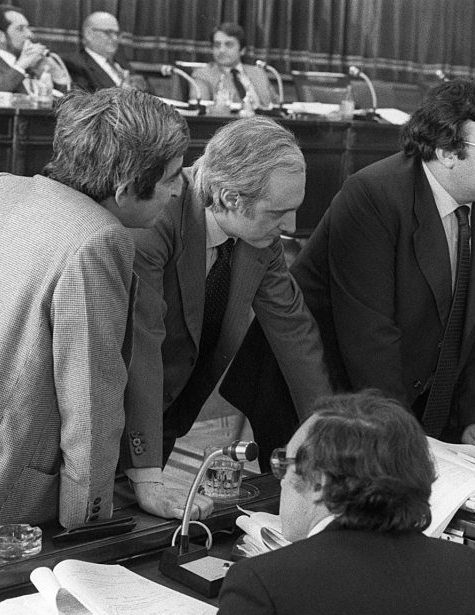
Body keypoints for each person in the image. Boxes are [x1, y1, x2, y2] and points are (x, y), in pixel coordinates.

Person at [0, 88, 190, 612]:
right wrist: (89, 523)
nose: (179, 189)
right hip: (3, 472)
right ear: (125, 187)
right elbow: (91, 402)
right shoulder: (99, 239)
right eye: (170, 176)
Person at [292, 78, 475, 452]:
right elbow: (370, 340)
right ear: (447, 152)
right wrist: (404, 442)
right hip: (326, 394)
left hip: (416, 394)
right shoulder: (373, 195)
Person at [208, 391, 475, 615]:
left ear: (320, 481)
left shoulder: (263, 583)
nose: (283, 480)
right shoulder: (468, 569)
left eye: (286, 464)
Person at [124, 116, 330, 509]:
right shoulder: (157, 214)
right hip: (121, 411)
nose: (291, 226)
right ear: (232, 198)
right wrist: (147, 472)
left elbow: (293, 330)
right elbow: (140, 346)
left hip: (173, 410)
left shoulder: (257, 234)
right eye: (278, 212)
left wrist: (324, 430)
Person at [0, 5, 71, 94]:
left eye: (28, 28)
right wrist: (21, 65)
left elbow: (65, 105)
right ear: (0, 36)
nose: (29, 34)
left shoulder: (33, 66)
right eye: (20, 29)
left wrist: (57, 75)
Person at [189, 22, 275, 108]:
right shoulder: (202, 75)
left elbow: (277, 106)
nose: (221, 50)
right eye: (217, 45)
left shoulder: (258, 73)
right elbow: (201, 110)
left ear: (242, 50)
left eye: (228, 45)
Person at [62, 11, 148, 93]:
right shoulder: (75, 64)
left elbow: (147, 91)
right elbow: (86, 101)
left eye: (117, 33)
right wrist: (124, 92)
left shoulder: (121, 61)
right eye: (108, 32)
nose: (115, 38)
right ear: (89, 34)